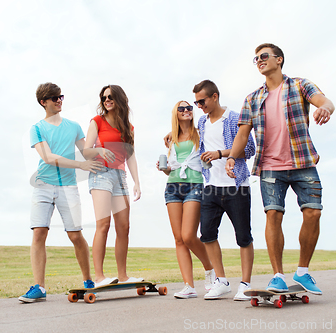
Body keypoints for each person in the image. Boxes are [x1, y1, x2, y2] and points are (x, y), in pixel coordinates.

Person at [225, 43, 335, 295]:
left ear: (279, 59)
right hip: (270, 167)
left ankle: (303, 272)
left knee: (313, 213)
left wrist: (325, 108)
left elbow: (324, 100)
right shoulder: (252, 98)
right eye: (256, 59)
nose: (260, 61)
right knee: (273, 215)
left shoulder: (299, 85)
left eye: (264, 56)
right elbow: (243, 133)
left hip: (302, 162)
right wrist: (232, 156)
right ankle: (277, 276)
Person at [19, 82, 102, 303]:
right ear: (43, 102)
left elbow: (86, 152)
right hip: (43, 185)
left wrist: (103, 148)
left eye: (61, 97)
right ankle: (39, 287)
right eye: (54, 98)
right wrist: (80, 165)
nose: (59, 100)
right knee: (39, 233)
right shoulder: (36, 128)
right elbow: (48, 157)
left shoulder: (74, 126)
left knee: (75, 235)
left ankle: (88, 281)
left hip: (68, 187)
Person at [193, 80, 256, 300]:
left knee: (243, 237)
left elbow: (249, 149)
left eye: (202, 101)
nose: (199, 105)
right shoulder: (202, 121)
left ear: (215, 97)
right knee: (207, 234)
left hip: (236, 186)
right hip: (211, 186)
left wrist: (220, 153)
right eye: (196, 102)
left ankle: (245, 284)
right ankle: (222, 281)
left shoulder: (234, 118)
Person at [83, 84, 143, 288]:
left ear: (119, 99)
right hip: (100, 175)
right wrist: (99, 152)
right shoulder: (97, 121)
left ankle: (123, 275)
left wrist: (137, 182)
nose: (106, 100)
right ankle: (98, 277)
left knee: (124, 227)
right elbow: (86, 151)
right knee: (103, 224)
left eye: (110, 96)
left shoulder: (128, 127)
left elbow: (131, 156)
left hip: (120, 178)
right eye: (104, 97)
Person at [157, 101, 215, 299]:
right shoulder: (171, 139)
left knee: (189, 235)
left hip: (195, 186)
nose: (186, 110)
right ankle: (188, 286)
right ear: (176, 113)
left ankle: (210, 269)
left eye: (189, 107)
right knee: (179, 239)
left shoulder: (201, 133)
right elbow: (170, 170)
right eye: (181, 108)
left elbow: (205, 162)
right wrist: (163, 168)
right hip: (173, 187)